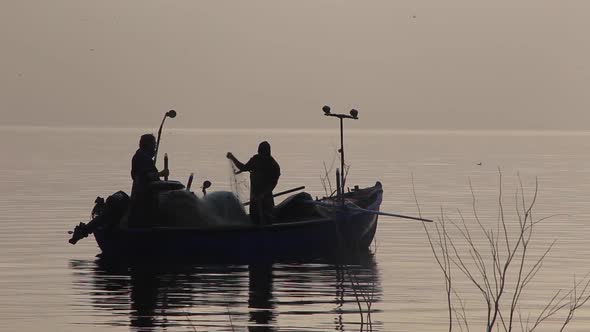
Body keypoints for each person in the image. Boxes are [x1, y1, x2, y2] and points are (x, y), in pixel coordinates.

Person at [227, 141, 281, 225]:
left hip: (266, 198)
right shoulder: (256, 160)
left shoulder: (272, 164)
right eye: (260, 152)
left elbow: (274, 181)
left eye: (262, 152)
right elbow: (244, 167)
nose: (260, 154)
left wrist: (264, 194)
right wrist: (232, 157)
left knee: (267, 218)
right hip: (255, 198)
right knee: (255, 218)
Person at [129, 134, 169, 226]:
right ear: (147, 145)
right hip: (143, 198)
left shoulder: (143, 157)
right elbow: (145, 176)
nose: (155, 148)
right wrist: (161, 174)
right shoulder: (141, 158)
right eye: (153, 145)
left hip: (147, 195)